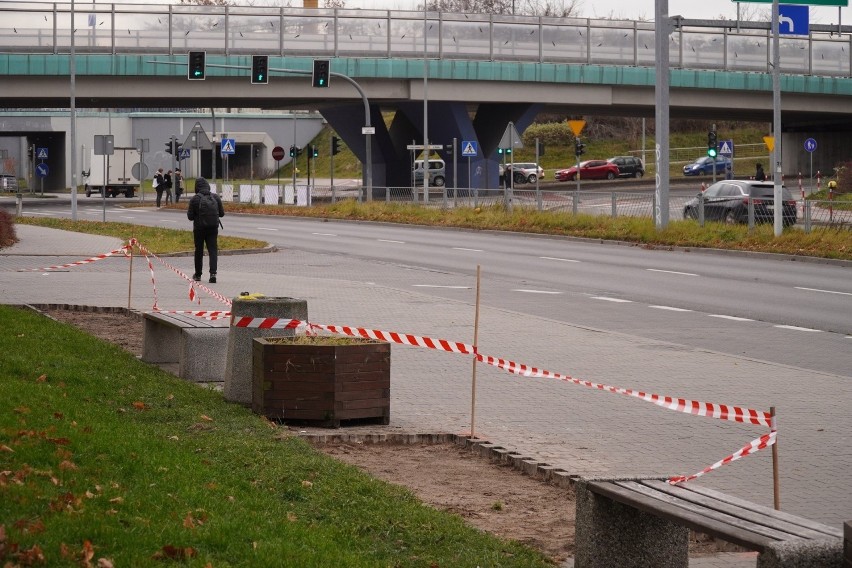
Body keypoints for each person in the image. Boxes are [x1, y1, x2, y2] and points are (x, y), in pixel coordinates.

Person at [187, 178, 225, 284]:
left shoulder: (195, 199)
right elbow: (221, 214)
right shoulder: (215, 197)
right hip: (213, 228)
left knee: (198, 251)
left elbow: (190, 217)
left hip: (199, 229)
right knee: (213, 250)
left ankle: (198, 274)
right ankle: (213, 274)